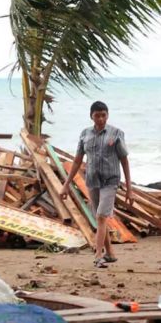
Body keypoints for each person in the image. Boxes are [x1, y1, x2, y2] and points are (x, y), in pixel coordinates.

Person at [60, 101, 132, 268]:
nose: (100, 119)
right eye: (97, 115)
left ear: (107, 115)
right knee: (100, 219)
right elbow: (78, 160)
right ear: (91, 116)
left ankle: (98, 255)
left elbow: (124, 160)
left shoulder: (116, 134)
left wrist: (129, 189)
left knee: (101, 216)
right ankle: (110, 253)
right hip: (92, 181)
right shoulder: (85, 134)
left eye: (103, 115)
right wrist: (66, 184)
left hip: (110, 181)